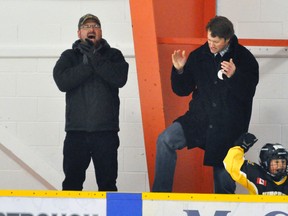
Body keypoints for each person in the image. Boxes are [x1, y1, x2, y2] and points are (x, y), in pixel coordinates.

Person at [152, 16, 259, 194]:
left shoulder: (245, 59)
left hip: (228, 127)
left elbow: (248, 94)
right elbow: (182, 90)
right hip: (198, 119)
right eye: (209, 39)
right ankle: (159, 196)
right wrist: (179, 70)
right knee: (165, 140)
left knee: (224, 182)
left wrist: (235, 76)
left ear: (228, 39)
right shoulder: (199, 55)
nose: (211, 45)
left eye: (215, 42)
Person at [53, 14, 129, 191]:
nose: (91, 29)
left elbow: (119, 79)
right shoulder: (69, 56)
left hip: (106, 133)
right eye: (86, 27)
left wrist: (95, 58)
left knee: (108, 185)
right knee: (71, 184)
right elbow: (62, 82)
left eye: (95, 25)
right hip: (76, 133)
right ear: (79, 33)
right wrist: (88, 66)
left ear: (101, 32)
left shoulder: (114, 55)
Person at [224, 132, 288, 195]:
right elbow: (230, 164)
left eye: (283, 162)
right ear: (265, 163)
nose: (280, 166)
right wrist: (240, 147)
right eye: (276, 162)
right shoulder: (255, 174)